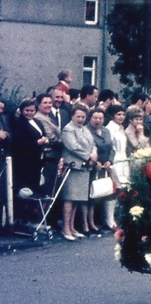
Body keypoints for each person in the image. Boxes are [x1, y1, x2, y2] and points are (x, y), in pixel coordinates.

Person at [60, 104, 96, 242]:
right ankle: (66, 227)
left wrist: (94, 154)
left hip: (84, 167)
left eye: (83, 117)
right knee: (69, 198)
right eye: (78, 116)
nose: (81, 119)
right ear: (72, 116)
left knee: (77, 199)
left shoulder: (84, 129)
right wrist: (89, 156)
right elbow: (73, 147)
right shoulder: (68, 130)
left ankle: (72, 226)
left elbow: (93, 144)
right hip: (73, 167)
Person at [86, 108, 113, 236]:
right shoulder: (86, 130)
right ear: (90, 118)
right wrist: (95, 162)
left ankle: (101, 221)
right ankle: (90, 223)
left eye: (100, 118)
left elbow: (111, 148)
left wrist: (109, 161)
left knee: (103, 193)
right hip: (93, 166)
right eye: (95, 118)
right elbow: (88, 148)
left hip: (104, 166)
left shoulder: (106, 131)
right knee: (92, 196)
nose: (98, 121)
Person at [105, 105, 128, 230]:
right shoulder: (109, 128)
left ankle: (117, 216)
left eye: (123, 114)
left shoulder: (121, 128)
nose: (121, 117)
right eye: (118, 114)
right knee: (113, 189)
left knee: (123, 188)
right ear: (113, 115)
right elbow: (111, 147)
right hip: (115, 160)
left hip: (123, 159)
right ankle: (109, 218)